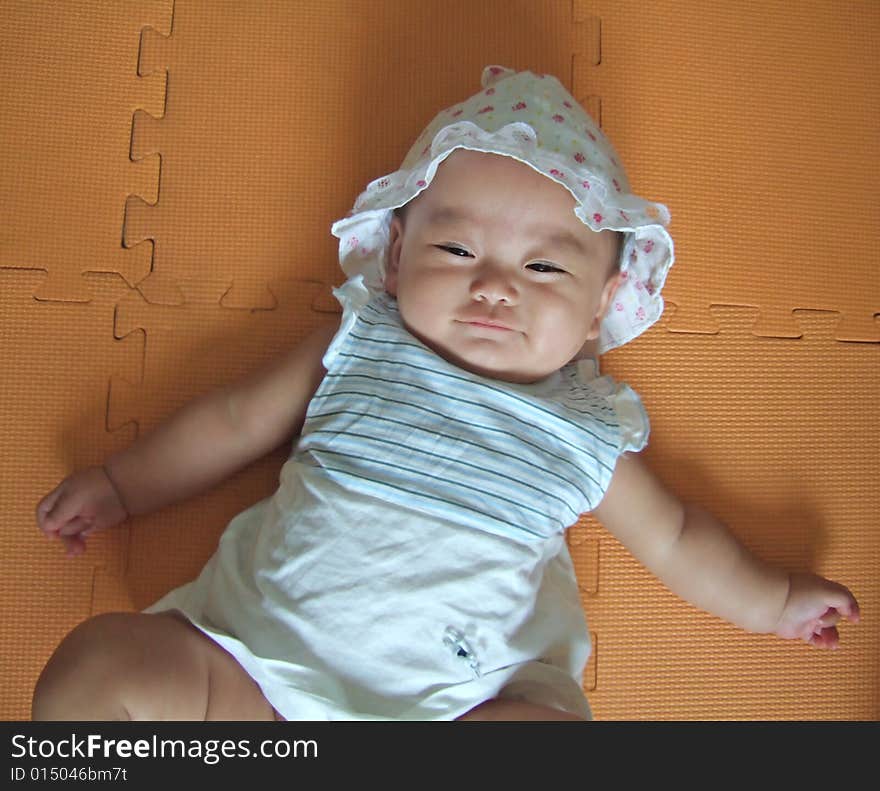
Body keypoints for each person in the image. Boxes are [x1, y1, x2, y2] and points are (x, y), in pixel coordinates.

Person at [32, 66, 859, 722]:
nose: (496, 286)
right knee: (94, 672)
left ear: (599, 311)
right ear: (393, 260)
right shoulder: (360, 342)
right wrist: (120, 484)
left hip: (460, 707)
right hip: (255, 671)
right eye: (458, 249)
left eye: (544, 266)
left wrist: (774, 601)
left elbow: (677, 537)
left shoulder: (583, 433)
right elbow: (237, 420)